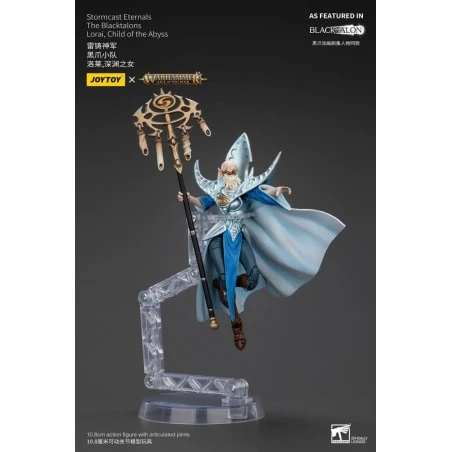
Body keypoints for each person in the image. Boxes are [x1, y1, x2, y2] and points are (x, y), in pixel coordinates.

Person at [178, 133, 345, 350]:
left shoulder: (243, 189)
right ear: (220, 173)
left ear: (236, 173)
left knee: (253, 278)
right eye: (227, 172)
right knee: (225, 279)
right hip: (220, 237)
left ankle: (223, 285)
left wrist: (276, 191)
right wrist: (189, 198)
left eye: (233, 171)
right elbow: (203, 202)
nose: (230, 174)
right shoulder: (217, 192)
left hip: (239, 235)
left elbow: (261, 195)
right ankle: (236, 326)